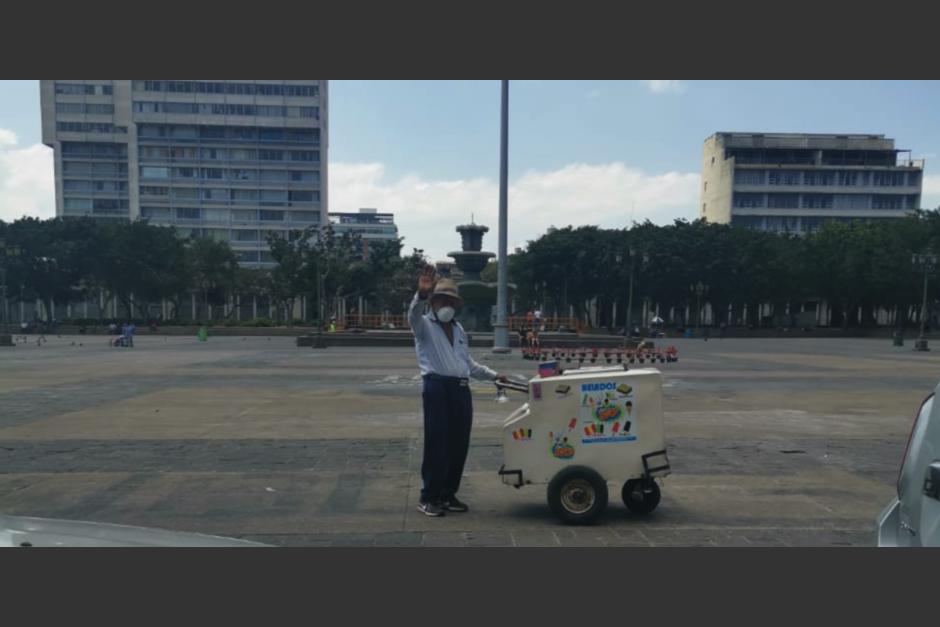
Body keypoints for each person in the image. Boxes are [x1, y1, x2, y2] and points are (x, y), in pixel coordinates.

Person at [409, 265, 507, 517]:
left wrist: (495, 376)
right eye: (441, 299)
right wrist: (419, 294)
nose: (446, 304)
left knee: (458, 445)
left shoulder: (459, 329)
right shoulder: (423, 326)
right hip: (437, 387)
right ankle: (428, 496)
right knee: (437, 443)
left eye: (451, 300)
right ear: (433, 301)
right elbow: (412, 314)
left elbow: (468, 364)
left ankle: (447, 494)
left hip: (461, 390)